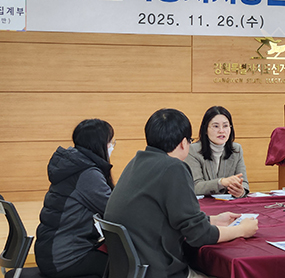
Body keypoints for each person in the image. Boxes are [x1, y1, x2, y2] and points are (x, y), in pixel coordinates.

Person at [104, 108, 258, 278]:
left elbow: (167, 216)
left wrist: (213, 220)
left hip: (133, 269)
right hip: (159, 270)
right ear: (184, 143)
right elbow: (200, 235)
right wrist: (242, 230)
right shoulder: (173, 167)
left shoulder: (137, 162)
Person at [35, 119, 116, 278]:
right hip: (65, 258)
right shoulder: (87, 174)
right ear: (99, 143)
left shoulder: (74, 165)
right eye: (110, 142)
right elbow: (114, 209)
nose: (112, 146)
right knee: (126, 263)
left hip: (51, 252)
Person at [184, 106, 248, 198]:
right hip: (203, 204)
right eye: (216, 126)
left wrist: (241, 191)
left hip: (228, 203)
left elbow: (244, 183)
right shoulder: (193, 150)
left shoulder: (236, 149)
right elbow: (195, 186)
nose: (221, 131)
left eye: (225, 126)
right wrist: (221, 182)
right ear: (205, 129)